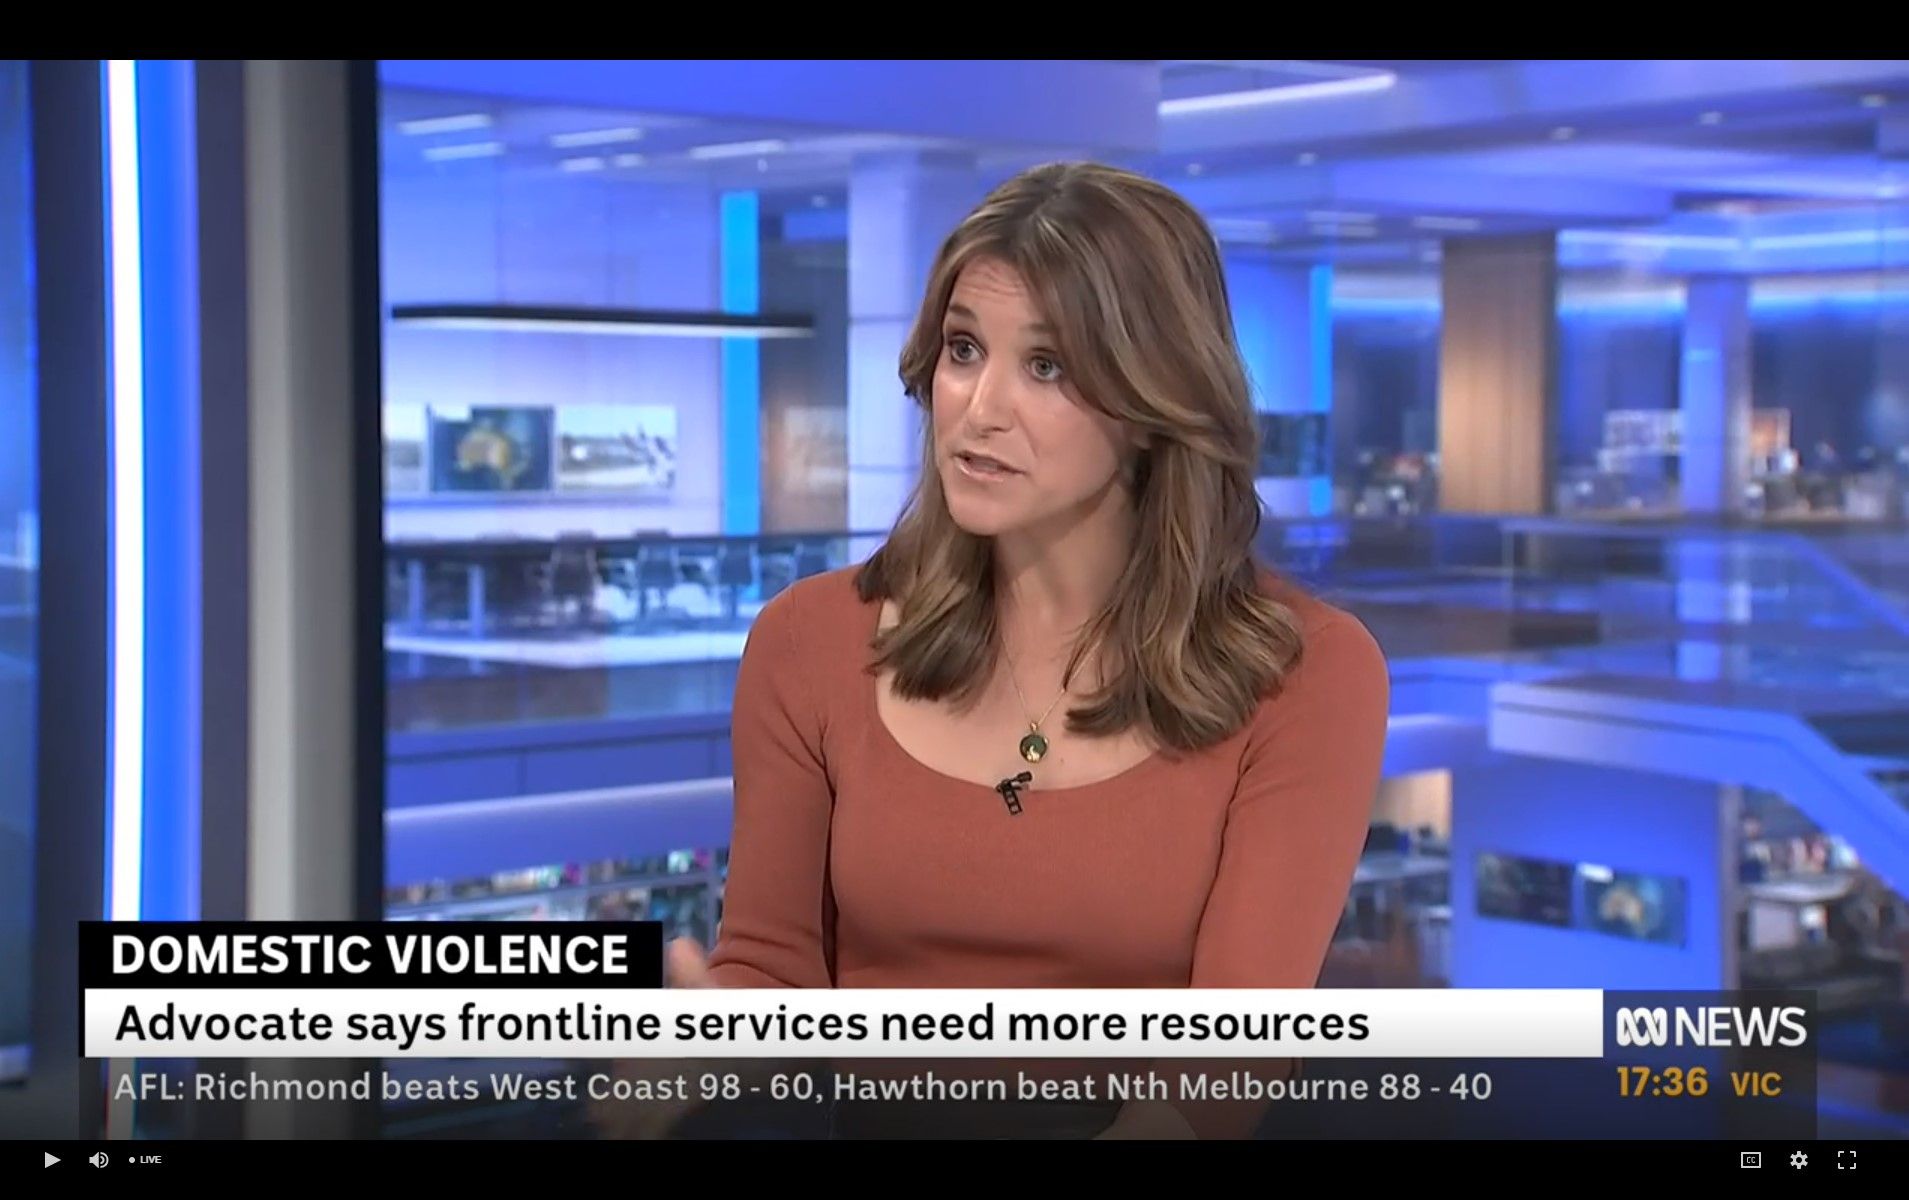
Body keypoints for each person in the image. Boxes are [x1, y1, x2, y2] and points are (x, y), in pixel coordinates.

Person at [661, 161, 1388, 1138]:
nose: (980, 408)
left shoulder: (1306, 674)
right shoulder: (809, 642)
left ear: (1153, 399)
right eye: (964, 350)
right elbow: (772, 973)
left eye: (1046, 366)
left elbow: (1222, 1067)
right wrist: (699, 1047)